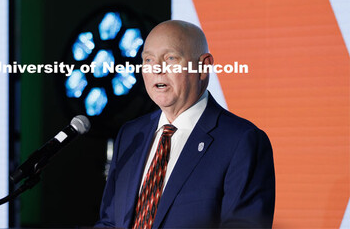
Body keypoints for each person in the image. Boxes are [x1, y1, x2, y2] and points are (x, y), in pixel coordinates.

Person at [95, 20, 275, 228]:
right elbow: (109, 222)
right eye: (148, 60)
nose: (157, 69)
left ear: (203, 66)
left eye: (170, 58)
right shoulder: (131, 135)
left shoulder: (241, 141)